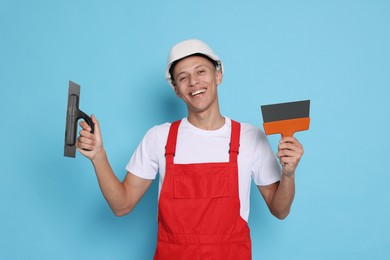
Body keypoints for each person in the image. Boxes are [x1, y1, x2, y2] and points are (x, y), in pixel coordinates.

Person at [76, 39, 304, 259]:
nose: (193, 82)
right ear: (176, 90)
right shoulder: (159, 138)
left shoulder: (250, 137)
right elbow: (121, 206)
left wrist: (288, 173)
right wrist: (98, 156)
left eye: (201, 71)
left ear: (218, 75)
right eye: (183, 78)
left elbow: (280, 210)